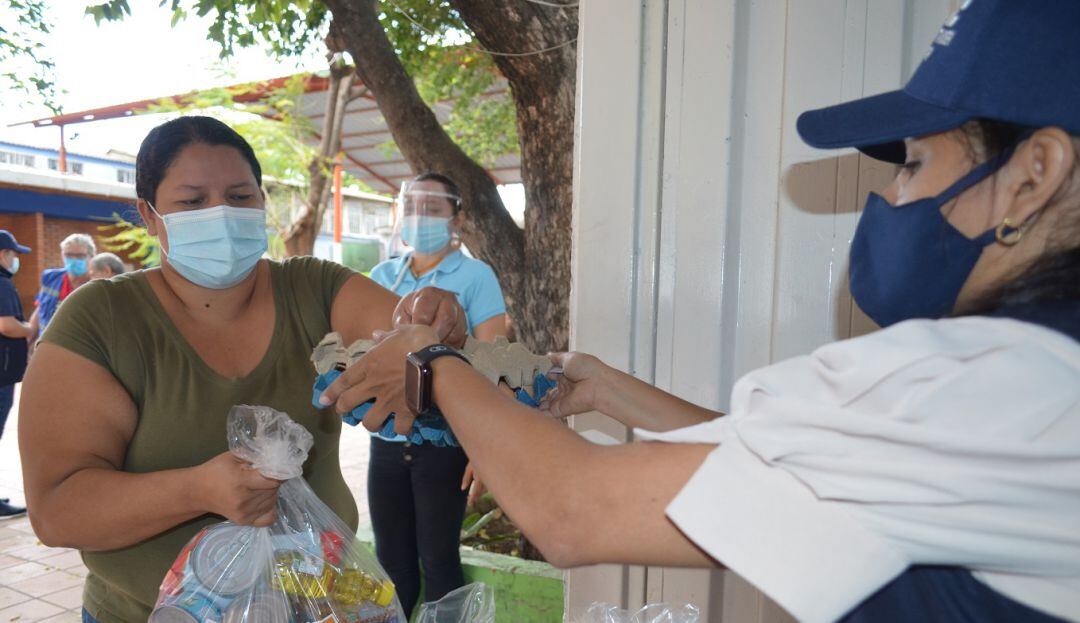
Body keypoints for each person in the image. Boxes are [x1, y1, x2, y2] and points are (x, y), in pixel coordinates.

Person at [323, 2, 1080, 622]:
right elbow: (783, 459)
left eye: (913, 162)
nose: (890, 195)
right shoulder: (1030, 385)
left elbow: (574, 511)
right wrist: (608, 390)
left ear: (1033, 174)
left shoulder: (997, 386)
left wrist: (431, 364)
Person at [17, 116, 467, 623]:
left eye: (239, 196)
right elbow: (57, 511)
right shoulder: (102, 320)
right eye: (193, 202)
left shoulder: (315, 290)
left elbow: (413, 337)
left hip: (317, 608)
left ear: (261, 201)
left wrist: (434, 322)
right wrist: (198, 489)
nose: (222, 215)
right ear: (149, 214)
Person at [366, 173, 508, 617]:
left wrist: (483, 446)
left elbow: (495, 364)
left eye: (432, 208)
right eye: (412, 207)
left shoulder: (476, 276)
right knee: (390, 564)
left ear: (457, 219)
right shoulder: (381, 275)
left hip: (446, 443)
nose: (419, 216)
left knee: (440, 561)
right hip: (386, 441)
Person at [0, 230, 33, 519]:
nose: (15, 260)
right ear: (3, 255)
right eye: (13, 254)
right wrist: (30, 329)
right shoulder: (2, 284)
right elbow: (7, 326)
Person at [30, 233, 96, 338]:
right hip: (48, 341)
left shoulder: (96, 285)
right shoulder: (51, 278)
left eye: (80, 256)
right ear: (62, 255)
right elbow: (40, 309)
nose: (73, 260)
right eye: (68, 255)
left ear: (91, 257)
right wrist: (30, 339)